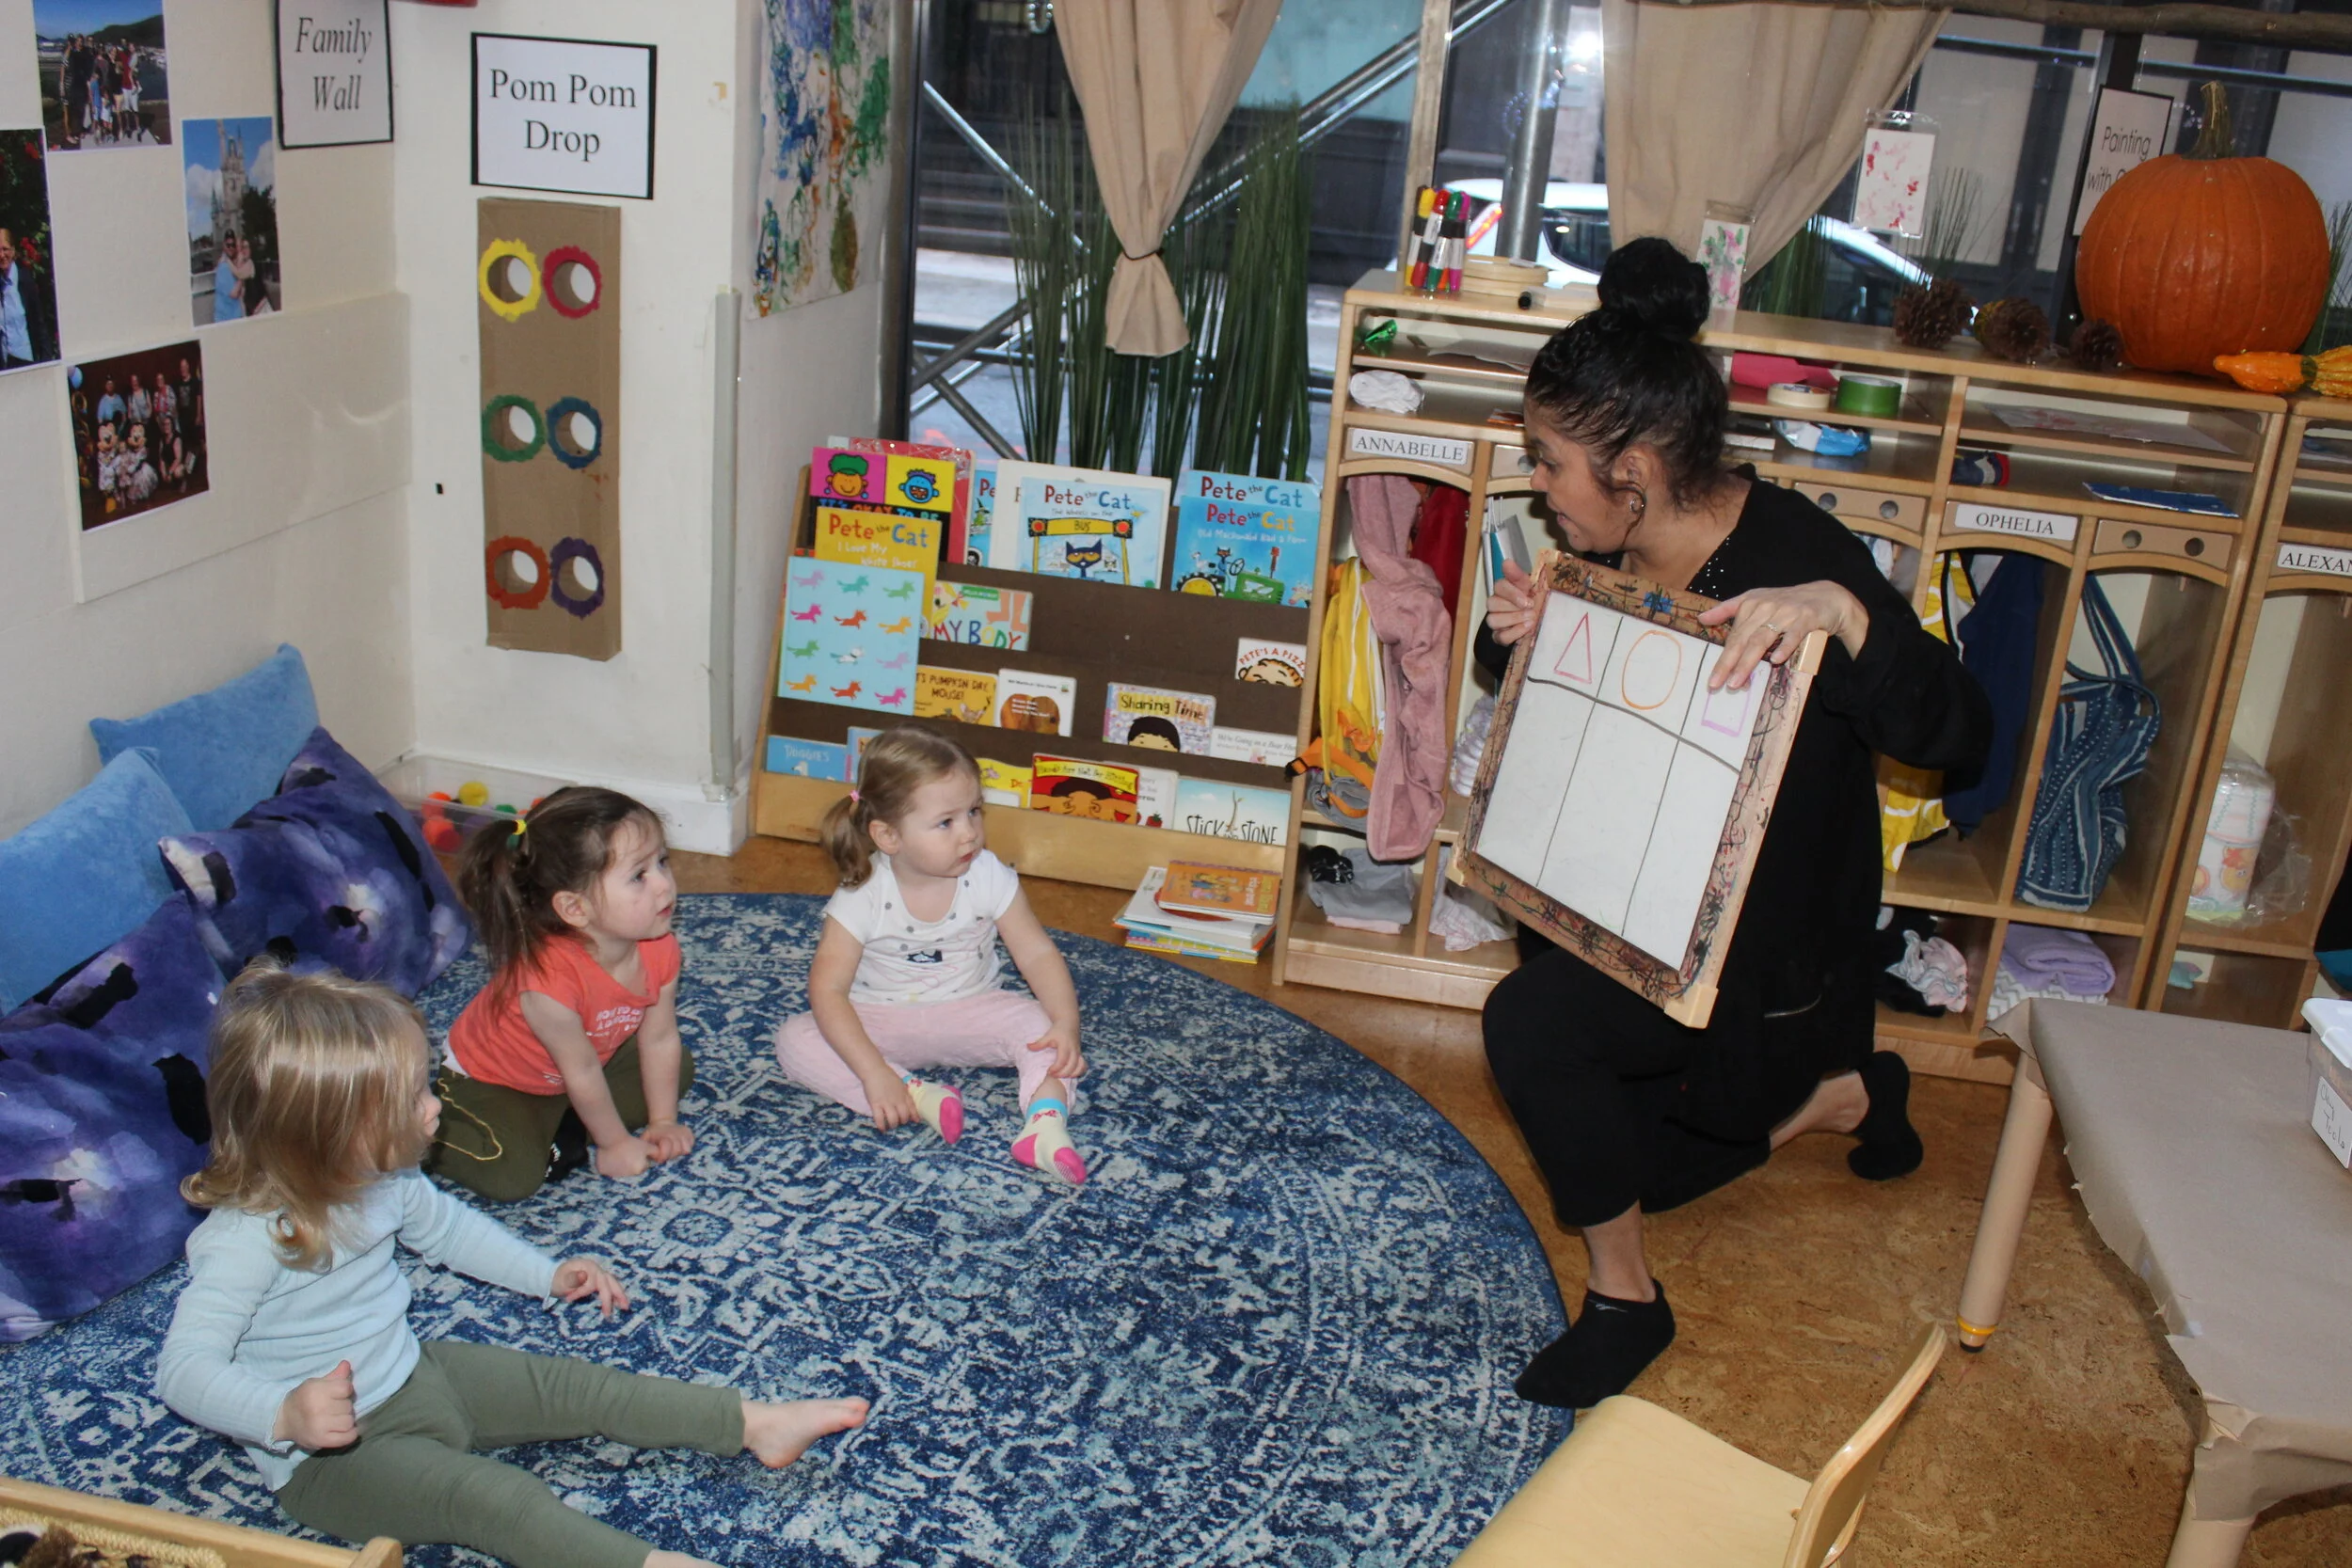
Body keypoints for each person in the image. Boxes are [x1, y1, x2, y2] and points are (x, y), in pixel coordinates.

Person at [1476, 238, 1991, 1410]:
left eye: (1550, 465)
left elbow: (1962, 733)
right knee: (1607, 1143)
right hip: (1625, 907)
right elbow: (1541, 689)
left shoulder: (1800, 555)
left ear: (1638, 470)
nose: (1538, 486)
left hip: (1756, 956)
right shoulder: (1595, 541)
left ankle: (1628, 1299)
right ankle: (1844, 1099)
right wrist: (1509, 633)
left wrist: (1850, 616)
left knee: (1537, 1045)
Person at [157, 962, 866, 1568]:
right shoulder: (245, 1241)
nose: (435, 1108)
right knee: (496, 1500)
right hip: (331, 1462)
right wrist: (283, 1412)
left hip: (415, 1371)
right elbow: (183, 1370)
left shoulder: (383, 1179)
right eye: (411, 1099)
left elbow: (449, 1229)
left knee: (580, 1386)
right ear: (330, 1133)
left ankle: (752, 1422)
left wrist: (545, 1271)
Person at [774, 725, 1091, 1184]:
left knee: (1040, 1030)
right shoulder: (861, 894)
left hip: (974, 1008)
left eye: (974, 812)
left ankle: (1044, 1126)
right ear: (888, 836)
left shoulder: (988, 875)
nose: (969, 834)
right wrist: (873, 1074)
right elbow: (827, 991)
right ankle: (914, 1094)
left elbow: (1037, 953)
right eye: (946, 822)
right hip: (879, 1022)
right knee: (796, 1040)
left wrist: (1066, 1023)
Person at [431, 788, 695, 1204]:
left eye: (662, 861)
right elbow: (582, 1072)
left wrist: (663, 1122)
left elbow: (659, 1037)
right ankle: (416, 1130)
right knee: (512, 1177)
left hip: (576, 1068)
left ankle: (567, 1123)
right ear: (574, 909)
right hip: (494, 1081)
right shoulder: (547, 983)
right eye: (639, 875)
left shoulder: (659, 946)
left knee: (677, 1068)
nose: (664, 884)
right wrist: (613, 1145)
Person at [0, 226, 57, 369]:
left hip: (26, 360)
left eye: (5, 249)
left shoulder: (25, 281)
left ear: (13, 251)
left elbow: (39, 324)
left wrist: (46, 360)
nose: (1, 255)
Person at [215, 234, 246, 323]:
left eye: (234, 245)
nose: (231, 248)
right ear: (224, 246)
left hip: (233, 316)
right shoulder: (225, 266)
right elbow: (234, 294)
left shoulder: (234, 267)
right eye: (228, 245)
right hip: (228, 319)